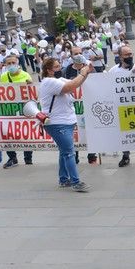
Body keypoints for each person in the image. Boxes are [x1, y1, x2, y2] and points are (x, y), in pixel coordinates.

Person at [37, 56, 91, 192]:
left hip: (65, 121)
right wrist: (83, 72)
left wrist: (86, 70)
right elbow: (71, 86)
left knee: (64, 152)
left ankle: (63, 179)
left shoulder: (57, 80)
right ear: (48, 70)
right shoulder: (49, 82)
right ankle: (75, 182)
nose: (59, 68)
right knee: (69, 153)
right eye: (56, 67)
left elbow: (77, 83)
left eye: (59, 65)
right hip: (57, 122)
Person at [109, 45, 135, 168]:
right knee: (124, 132)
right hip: (122, 108)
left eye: (131, 54)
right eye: (127, 55)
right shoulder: (113, 71)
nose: (130, 56)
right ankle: (125, 156)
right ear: (120, 57)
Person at [0, 54, 35, 168]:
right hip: (9, 110)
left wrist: (30, 85)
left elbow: (32, 92)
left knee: (25, 134)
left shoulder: (26, 75)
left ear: (17, 63)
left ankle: (28, 159)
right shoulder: (3, 76)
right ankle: (12, 158)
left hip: (24, 109)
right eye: (8, 63)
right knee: (7, 134)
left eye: (13, 63)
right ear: (5, 65)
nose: (11, 65)